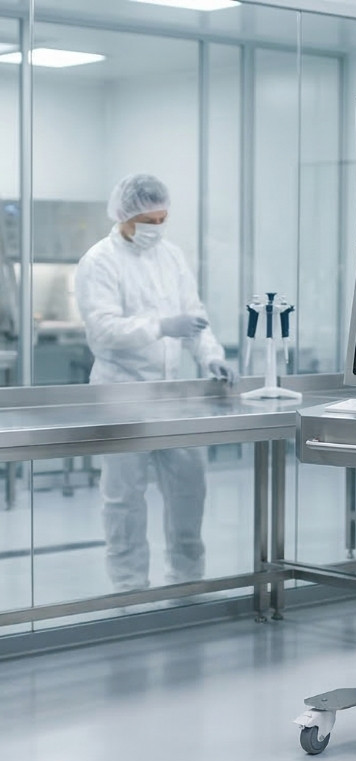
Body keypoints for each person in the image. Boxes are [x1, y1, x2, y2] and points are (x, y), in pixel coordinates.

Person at [75, 173, 238, 592]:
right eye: (150, 221)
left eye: (163, 219)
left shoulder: (172, 256)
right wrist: (162, 326)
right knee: (124, 500)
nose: (157, 228)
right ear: (125, 216)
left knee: (189, 490)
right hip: (120, 392)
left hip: (172, 394)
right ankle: (128, 588)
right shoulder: (99, 261)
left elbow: (195, 317)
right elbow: (104, 331)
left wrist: (212, 356)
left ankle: (187, 583)